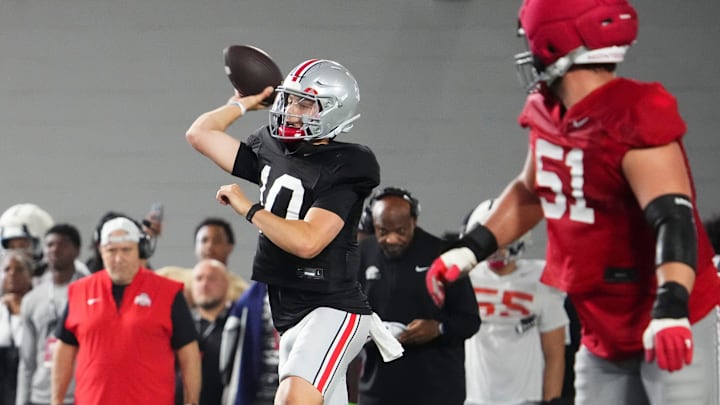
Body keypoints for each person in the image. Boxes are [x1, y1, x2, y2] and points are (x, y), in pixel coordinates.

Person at [426, 0, 720, 403]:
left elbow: (674, 217)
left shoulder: (632, 112)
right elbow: (532, 192)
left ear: (552, 41)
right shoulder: (548, 111)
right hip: (601, 325)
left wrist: (671, 307)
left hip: (663, 316)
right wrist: (471, 248)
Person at [186, 58, 397, 405]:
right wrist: (244, 102)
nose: (290, 109)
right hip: (288, 312)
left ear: (333, 111)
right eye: (288, 99)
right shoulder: (272, 146)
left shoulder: (349, 163)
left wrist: (249, 208)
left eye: (304, 102)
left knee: (292, 400)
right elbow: (200, 134)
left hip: (332, 308)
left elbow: (307, 242)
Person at [51, 217, 201, 405]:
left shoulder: (168, 292)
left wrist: (192, 401)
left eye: (126, 250)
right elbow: (64, 349)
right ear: (101, 251)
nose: (119, 258)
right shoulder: (79, 291)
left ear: (140, 250)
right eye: (111, 250)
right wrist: (56, 401)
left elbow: (188, 351)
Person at [355, 187, 480, 405]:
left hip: (437, 392)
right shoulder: (361, 255)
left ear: (415, 220)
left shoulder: (443, 255)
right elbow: (346, 316)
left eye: (401, 231)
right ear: (373, 225)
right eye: (383, 231)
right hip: (377, 391)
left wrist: (437, 329)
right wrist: (370, 330)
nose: (392, 239)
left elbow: (470, 321)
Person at [461, 199, 567, 405]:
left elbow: (555, 353)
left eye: (502, 237)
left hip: (526, 398)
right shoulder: (465, 278)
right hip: (475, 397)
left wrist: (551, 400)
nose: (496, 247)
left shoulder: (541, 278)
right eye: (489, 239)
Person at [16, 224, 85, 405]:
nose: (55, 249)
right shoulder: (32, 299)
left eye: (62, 244)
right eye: (50, 245)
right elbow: (27, 360)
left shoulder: (91, 293)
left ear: (77, 250)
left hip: (80, 394)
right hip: (41, 395)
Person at [173, 259, 231, 405]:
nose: (204, 284)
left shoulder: (240, 323)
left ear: (226, 284)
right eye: (199, 279)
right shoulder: (177, 322)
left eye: (211, 278)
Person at [0, 250, 34, 405]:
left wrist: (19, 310)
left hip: (30, 384)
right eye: (7, 269)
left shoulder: (37, 307)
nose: (12, 274)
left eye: (19, 269)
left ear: (30, 275)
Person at [193, 218, 248, 303]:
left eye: (217, 241)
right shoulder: (174, 279)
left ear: (230, 247)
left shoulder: (241, 292)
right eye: (204, 240)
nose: (209, 246)